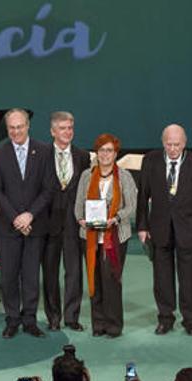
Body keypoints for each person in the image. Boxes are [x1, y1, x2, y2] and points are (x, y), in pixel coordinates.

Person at [136, 124, 192, 336]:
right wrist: (142, 226)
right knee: (162, 278)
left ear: (184, 144)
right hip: (159, 228)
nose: (173, 148)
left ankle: (191, 320)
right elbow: (143, 196)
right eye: (169, 144)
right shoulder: (150, 160)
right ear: (163, 143)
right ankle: (165, 318)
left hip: (188, 228)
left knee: (189, 277)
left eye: (177, 144)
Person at [0, 108, 56, 338]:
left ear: (27, 126)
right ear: (7, 129)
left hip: (35, 224)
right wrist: (16, 217)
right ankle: (12, 319)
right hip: (8, 225)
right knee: (8, 275)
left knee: (30, 275)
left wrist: (30, 215)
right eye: (11, 128)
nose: (16, 131)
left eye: (20, 127)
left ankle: (29, 319)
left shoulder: (45, 151)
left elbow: (48, 189)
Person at [75, 133, 137, 337]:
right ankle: (98, 325)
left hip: (116, 236)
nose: (105, 154)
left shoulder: (124, 176)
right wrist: (81, 220)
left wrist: (116, 219)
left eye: (109, 150)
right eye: (101, 150)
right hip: (91, 236)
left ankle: (114, 325)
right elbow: (78, 207)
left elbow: (131, 206)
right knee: (95, 280)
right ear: (97, 152)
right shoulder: (87, 175)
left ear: (115, 153)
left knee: (111, 280)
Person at [42, 112, 91, 333]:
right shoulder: (42, 155)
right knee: (50, 272)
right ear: (53, 131)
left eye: (70, 127)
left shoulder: (82, 156)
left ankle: (71, 316)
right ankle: (53, 317)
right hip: (49, 222)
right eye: (62, 128)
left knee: (74, 271)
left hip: (74, 223)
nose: (67, 132)